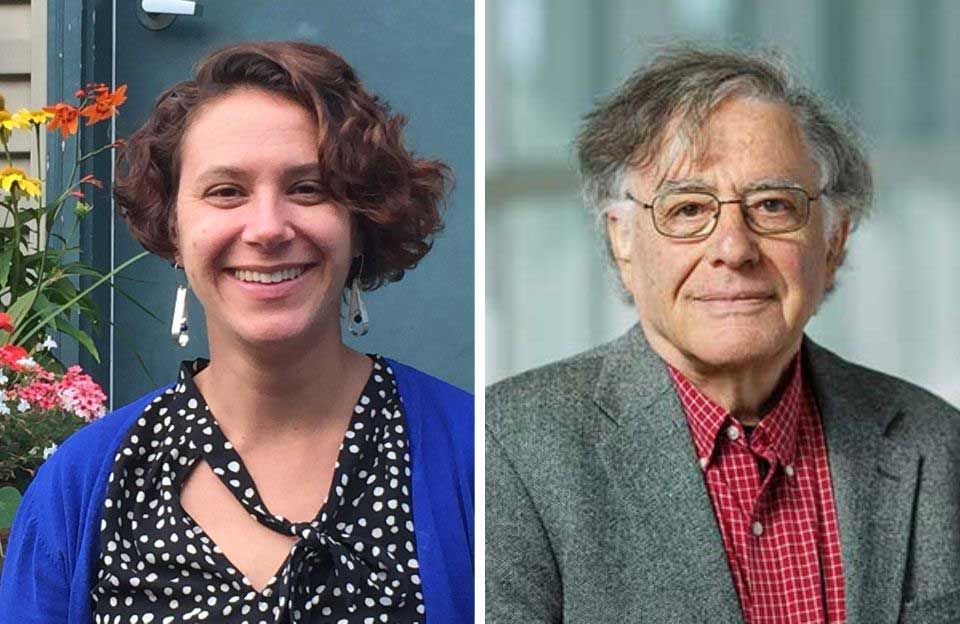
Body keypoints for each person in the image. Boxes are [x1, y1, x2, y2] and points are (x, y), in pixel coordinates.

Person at [0, 42, 473, 624]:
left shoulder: (476, 461)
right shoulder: (76, 491)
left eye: (308, 188)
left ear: (360, 220)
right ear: (173, 227)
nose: (268, 228)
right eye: (226, 191)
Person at [486, 46, 960, 624]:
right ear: (623, 241)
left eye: (772, 206)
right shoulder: (509, 449)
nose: (733, 249)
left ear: (833, 240)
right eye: (687, 210)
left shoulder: (935, 443)